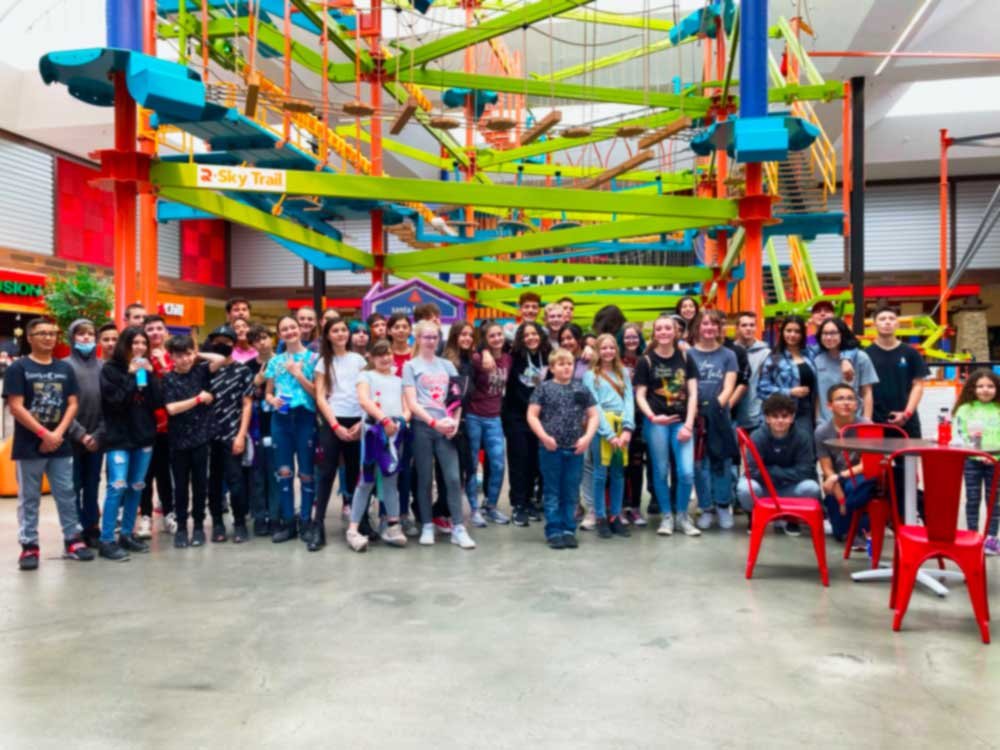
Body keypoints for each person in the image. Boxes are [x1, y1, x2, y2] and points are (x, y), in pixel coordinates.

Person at [4, 317, 93, 569]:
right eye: (41, 333)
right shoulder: (18, 368)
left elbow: (72, 403)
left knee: (66, 493)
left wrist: (58, 434)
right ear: (29, 338)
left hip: (60, 445)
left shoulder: (65, 369)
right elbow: (16, 406)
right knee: (29, 498)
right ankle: (29, 546)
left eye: (52, 333)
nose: (48, 337)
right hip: (28, 446)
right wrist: (45, 434)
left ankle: (73, 540)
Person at [403, 320, 476, 549]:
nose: (431, 340)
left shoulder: (448, 366)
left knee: (453, 478)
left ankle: (458, 527)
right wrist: (433, 422)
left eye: (435, 336)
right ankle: (426, 524)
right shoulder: (410, 366)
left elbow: (456, 398)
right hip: (423, 427)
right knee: (424, 478)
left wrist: (453, 422)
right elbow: (412, 403)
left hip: (446, 427)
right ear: (418, 338)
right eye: (426, 336)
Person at [98, 326, 163, 561]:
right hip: (118, 438)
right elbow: (115, 402)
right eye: (135, 343)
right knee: (117, 487)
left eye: (143, 343)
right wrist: (130, 375)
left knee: (137, 485)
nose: (140, 348)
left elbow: (157, 402)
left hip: (143, 436)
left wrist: (151, 374)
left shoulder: (146, 369)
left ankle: (127, 533)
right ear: (125, 344)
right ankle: (107, 540)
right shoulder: (110, 370)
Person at [633, 314, 699, 537]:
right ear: (654, 333)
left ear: (675, 332)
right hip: (657, 424)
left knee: (686, 472)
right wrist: (652, 417)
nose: (663, 332)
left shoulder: (686, 358)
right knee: (660, 472)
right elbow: (640, 395)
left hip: (682, 423)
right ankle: (667, 516)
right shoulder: (646, 361)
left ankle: (682, 515)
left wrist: (689, 424)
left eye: (667, 328)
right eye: (659, 329)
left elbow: (692, 395)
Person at [527, 348, 599, 549]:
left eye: (569, 364)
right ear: (552, 367)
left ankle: (569, 529)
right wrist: (543, 436)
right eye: (561, 364)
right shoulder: (544, 388)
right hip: (551, 449)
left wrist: (587, 438)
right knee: (552, 491)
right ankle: (554, 530)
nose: (566, 367)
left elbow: (593, 415)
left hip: (575, 449)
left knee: (570, 491)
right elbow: (532, 415)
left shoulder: (581, 389)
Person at [346, 340, 411, 552]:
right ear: (371, 358)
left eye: (388, 353)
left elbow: (407, 407)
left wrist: (400, 422)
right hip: (374, 433)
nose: (385, 357)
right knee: (366, 480)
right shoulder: (365, 376)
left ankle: (393, 525)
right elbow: (365, 401)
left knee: (392, 479)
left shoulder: (399, 380)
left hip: (395, 434)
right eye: (380, 354)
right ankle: (353, 530)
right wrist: (384, 420)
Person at [162, 335, 223, 548]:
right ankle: (181, 528)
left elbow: (220, 360)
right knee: (180, 487)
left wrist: (197, 354)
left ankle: (198, 526)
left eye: (188, 354)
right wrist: (198, 399)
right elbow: (172, 408)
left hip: (201, 438)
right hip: (178, 441)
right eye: (180, 356)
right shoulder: (168, 379)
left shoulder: (200, 371)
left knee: (200, 485)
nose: (185, 359)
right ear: (172, 358)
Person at [313, 318, 366, 551]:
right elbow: (320, 397)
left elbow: (367, 392)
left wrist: (363, 422)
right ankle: (317, 526)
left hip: (357, 422)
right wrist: (335, 426)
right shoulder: (322, 362)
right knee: (325, 474)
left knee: (357, 475)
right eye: (335, 330)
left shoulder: (359, 360)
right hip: (333, 422)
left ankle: (360, 523)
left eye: (344, 330)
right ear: (327, 335)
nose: (341, 334)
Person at [264, 315, 318, 542]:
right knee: (284, 472)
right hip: (281, 420)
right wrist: (271, 400)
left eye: (292, 327)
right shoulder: (275, 361)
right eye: (284, 329)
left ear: (300, 329)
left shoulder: (314, 359)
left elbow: (317, 392)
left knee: (306, 472)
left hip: (305, 418)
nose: (289, 331)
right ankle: (288, 521)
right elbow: (267, 392)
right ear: (280, 333)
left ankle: (306, 520)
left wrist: (297, 373)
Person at [736, 394, 820, 535]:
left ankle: (792, 518)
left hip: (789, 487)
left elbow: (806, 470)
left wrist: (773, 471)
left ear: (792, 418)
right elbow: (753, 471)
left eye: (785, 416)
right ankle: (753, 516)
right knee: (745, 488)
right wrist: (786, 472)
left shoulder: (803, 437)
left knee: (812, 487)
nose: (780, 420)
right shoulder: (757, 436)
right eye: (775, 416)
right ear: (767, 418)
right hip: (764, 487)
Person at [688, 310, 739, 531]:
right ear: (698, 327)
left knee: (722, 463)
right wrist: (696, 410)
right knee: (699, 464)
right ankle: (706, 507)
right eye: (705, 324)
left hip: (719, 416)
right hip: (695, 416)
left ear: (719, 328)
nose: (709, 328)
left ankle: (722, 506)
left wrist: (714, 406)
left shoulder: (728, 355)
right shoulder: (688, 355)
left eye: (713, 324)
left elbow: (729, 386)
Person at [205, 326, 254, 544]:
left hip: (232, 433)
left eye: (226, 341)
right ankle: (217, 523)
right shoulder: (205, 371)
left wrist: (241, 435)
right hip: (207, 435)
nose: (221, 345)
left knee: (236, 481)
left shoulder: (243, 371)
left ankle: (240, 522)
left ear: (233, 345)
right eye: (217, 341)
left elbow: (247, 404)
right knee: (213, 481)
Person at [583, 334, 634, 539]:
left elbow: (629, 399)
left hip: (622, 424)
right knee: (599, 472)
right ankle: (601, 516)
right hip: (601, 426)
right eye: (603, 348)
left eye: (611, 348)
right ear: (597, 351)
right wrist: (609, 433)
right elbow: (594, 405)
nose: (608, 352)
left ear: (616, 350)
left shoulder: (623, 373)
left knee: (618, 472)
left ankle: (615, 515)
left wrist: (628, 428)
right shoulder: (590, 375)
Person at [814, 384, 875, 544]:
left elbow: (866, 464)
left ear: (856, 404)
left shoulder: (867, 426)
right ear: (829, 405)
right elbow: (827, 469)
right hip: (837, 480)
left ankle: (862, 527)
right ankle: (846, 521)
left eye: (850, 399)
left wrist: (839, 477)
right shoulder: (822, 431)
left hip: (862, 476)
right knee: (840, 534)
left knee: (853, 487)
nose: (846, 403)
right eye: (840, 399)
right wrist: (841, 499)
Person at [63, 319, 105, 548]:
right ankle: (75, 529)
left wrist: (97, 435)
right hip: (71, 439)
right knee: (73, 485)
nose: (86, 338)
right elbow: (62, 405)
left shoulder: (102, 367)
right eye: (81, 334)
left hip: (96, 440)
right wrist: (80, 434)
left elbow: (108, 406)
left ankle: (92, 527)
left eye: (90, 334)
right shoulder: (64, 366)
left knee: (92, 484)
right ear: (72, 338)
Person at [504, 322, 550, 527]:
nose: (531, 338)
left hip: (541, 418)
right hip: (517, 417)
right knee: (519, 460)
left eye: (535, 333)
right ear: (521, 338)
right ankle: (518, 504)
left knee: (535, 461)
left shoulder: (549, 356)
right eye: (526, 335)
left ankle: (530, 501)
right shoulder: (513, 357)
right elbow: (487, 345)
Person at [465, 321, 511, 525]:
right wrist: (483, 352)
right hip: (474, 415)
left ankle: (490, 505)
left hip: (494, 416)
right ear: (485, 339)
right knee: (473, 463)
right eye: (492, 336)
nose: (497, 339)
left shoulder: (508, 359)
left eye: (499, 334)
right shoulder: (477, 359)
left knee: (499, 463)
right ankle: (474, 509)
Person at [953, 369, 1000, 555]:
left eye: (990, 386)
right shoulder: (964, 409)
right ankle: (971, 536)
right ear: (972, 388)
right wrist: (974, 453)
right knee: (972, 499)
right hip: (971, 461)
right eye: (980, 386)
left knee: (994, 501)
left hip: (996, 462)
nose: (985, 390)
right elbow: (958, 434)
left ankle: (991, 538)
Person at [139, 314, 174, 538]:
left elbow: (176, 385)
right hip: (144, 424)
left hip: (169, 425)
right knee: (145, 474)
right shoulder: (138, 358)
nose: (155, 333)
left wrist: (162, 363)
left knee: (165, 473)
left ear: (165, 331)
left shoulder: (174, 356)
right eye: (150, 329)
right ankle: (145, 517)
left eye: (158, 328)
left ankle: (170, 514)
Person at [868, 305, 928, 437]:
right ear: (874, 325)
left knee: (910, 457)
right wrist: (867, 419)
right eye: (882, 319)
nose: (887, 322)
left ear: (898, 324)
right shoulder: (866, 354)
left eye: (891, 318)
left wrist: (906, 414)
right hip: (876, 421)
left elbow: (918, 385)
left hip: (907, 420)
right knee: (879, 458)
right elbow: (865, 389)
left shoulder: (911, 353)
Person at [758, 316, 817, 436]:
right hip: (781, 413)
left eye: (797, 331)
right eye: (789, 330)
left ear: (802, 334)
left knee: (804, 447)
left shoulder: (809, 354)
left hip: (806, 411)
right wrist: (789, 391)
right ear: (782, 332)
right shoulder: (774, 358)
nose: (793, 335)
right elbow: (762, 389)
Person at [442, 322, 476, 527]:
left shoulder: (469, 360)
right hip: (448, 420)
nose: (467, 338)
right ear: (455, 336)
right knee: (450, 471)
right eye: (463, 334)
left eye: (470, 335)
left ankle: (450, 510)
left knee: (466, 468)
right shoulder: (447, 361)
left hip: (464, 420)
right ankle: (443, 511)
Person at [246, 325, 279, 536]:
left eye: (265, 337)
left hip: (279, 422)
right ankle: (260, 516)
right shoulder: (248, 366)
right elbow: (244, 395)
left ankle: (276, 515)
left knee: (277, 473)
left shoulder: (283, 362)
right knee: (257, 475)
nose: (262, 342)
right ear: (252, 345)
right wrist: (255, 382)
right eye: (257, 340)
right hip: (256, 426)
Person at [618, 322, 652, 525]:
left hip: (641, 417)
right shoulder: (614, 360)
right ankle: (621, 506)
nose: (631, 340)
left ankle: (636, 507)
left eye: (635, 337)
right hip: (620, 417)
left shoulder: (645, 360)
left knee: (637, 464)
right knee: (620, 463)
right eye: (627, 337)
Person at [815, 318, 878, 423]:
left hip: (855, 421)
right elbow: (818, 396)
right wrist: (818, 420)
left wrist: (867, 420)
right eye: (824, 333)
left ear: (842, 334)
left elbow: (867, 392)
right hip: (826, 422)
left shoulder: (860, 357)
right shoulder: (818, 360)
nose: (828, 337)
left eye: (833, 333)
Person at [732, 311, 771, 432]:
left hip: (757, 414)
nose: (748, 328)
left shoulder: (766, 353)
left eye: (752, 325)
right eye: (744, 325)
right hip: (733, 413)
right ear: (737, 328)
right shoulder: (729, 352)